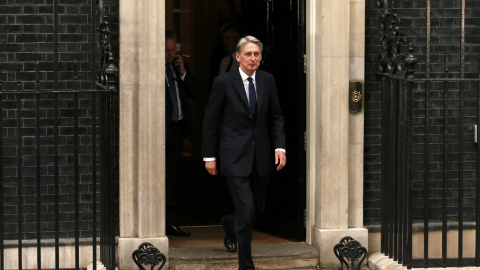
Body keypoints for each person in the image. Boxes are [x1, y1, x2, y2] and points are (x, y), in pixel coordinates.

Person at [202, 36, 287, 270]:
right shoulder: (223, 82)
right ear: (238, 57)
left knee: (257, 209)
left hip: (261, 156)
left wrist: (280, 147)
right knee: (247, 210)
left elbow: (276, 116)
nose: (253, 58)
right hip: (233, 156)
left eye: (256, 54)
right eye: (248, 54)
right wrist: (209, 156)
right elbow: (210, 120)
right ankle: (246, 265)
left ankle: (230, 224)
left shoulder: (268, 81)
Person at [164, 30, 199, 237]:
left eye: (173, 50)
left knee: (174, 176)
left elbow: (195, 92)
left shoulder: (177, 69)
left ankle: (171, 222)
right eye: (166, 50)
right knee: (162, 176)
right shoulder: (155, 69)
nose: (170, 54)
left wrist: (184, 71)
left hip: (176, 130)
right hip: (161, 130)